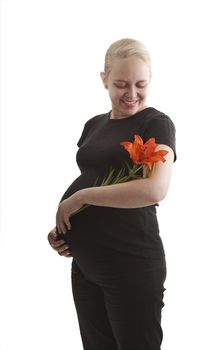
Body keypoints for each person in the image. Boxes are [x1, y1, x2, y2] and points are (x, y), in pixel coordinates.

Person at [48, 38, 177, 350]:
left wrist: (80, 199)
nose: (131, 94)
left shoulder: (156, 124)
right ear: (104, 79)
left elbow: (155, 188)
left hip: (130, 266)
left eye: (140, 84)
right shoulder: (94, 125)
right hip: (86, 266)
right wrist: (65, 228)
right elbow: (94, 176)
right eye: (120, 84)